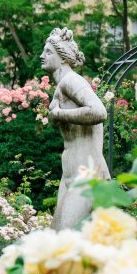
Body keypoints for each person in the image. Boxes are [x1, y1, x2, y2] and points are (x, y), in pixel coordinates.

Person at [40, 27, 110, 230]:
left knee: (65, 240)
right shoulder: (61, 86)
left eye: (48, 52)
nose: (42, 56)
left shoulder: (72, 80)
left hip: (87, 175)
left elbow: (99, 112)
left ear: (63, 58)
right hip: (70, 175)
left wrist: (60, 114)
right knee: (59, 242)